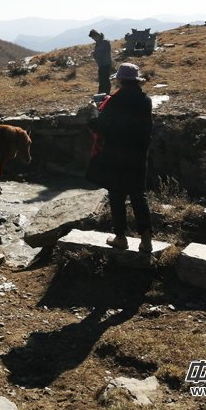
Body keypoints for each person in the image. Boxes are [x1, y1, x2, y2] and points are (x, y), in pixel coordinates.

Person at [87, 62, 153, 252]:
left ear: (121, 80)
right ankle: (146, 240)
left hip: (116, 156)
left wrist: (94, 110)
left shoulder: (115, 101)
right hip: (139, 155)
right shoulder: (145, 100)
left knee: (116, 196)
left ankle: (120, 238)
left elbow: (100, 126)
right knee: (138, 196)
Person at [89, 29, 112, 95]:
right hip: (102, 64)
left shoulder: (104, 42)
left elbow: (101, 52)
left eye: (93, 37)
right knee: (102, 80)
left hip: (106, 64)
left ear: (96, 35)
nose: (93, 39)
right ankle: (101, 93)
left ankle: (106, 94)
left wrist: (94, 53)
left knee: (105, 80)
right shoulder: (99, 42)